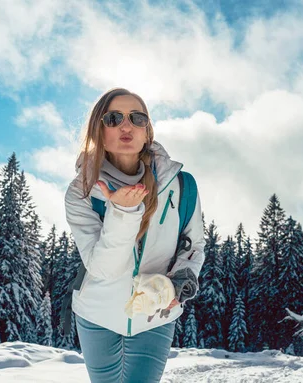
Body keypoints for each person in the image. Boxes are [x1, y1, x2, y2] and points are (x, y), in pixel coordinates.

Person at [64, 87, 206, 382]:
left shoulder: (182, 185)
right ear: (98, 131)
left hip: (155, 317)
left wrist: (180, 282)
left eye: (136, 118)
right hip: (97, 315)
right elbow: (103, 268)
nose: (126, 126)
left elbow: (192, 246)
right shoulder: (81, 191)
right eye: (113, 118)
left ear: (147, 131)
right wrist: (123, 214)